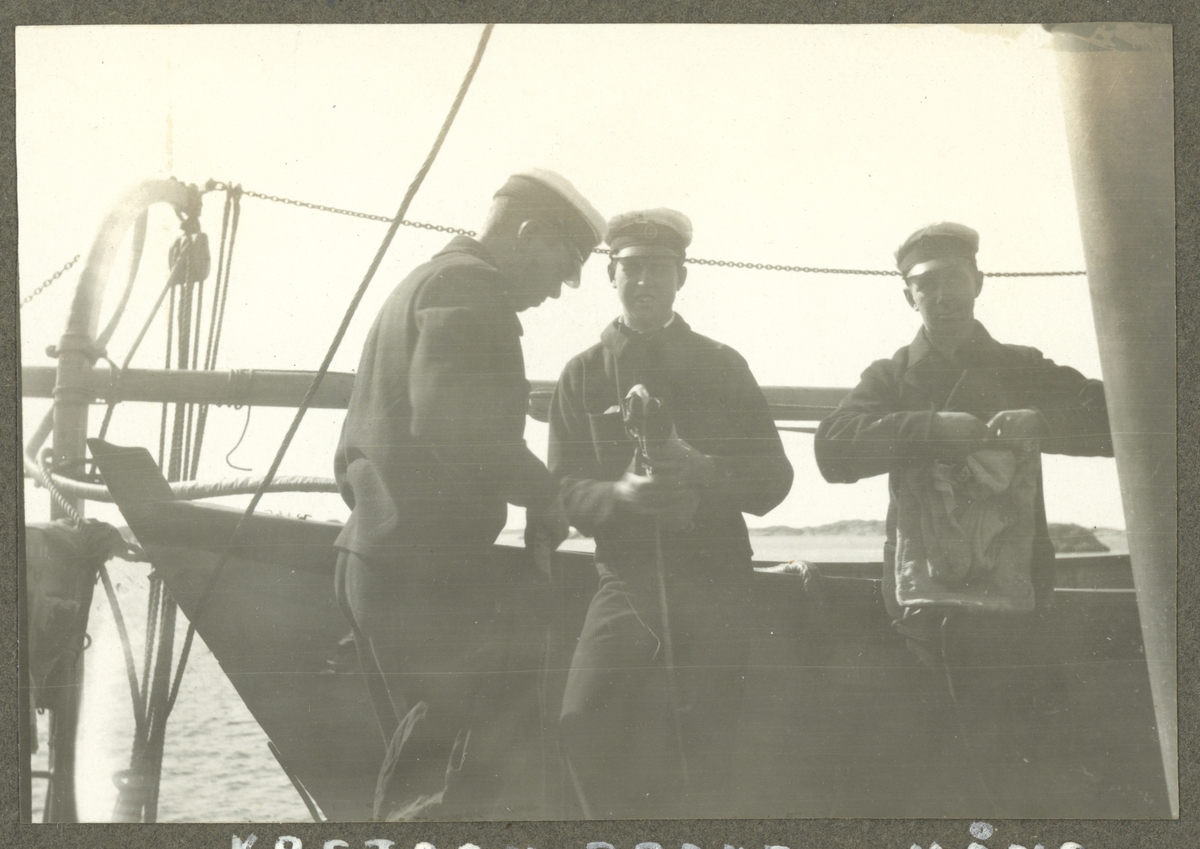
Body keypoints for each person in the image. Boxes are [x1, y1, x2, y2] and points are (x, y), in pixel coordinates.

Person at [333, 169, 606, 821]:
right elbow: (456, 422)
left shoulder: (422, 281)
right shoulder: (470, 288)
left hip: (379, 560)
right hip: (421, 577)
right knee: (435, 787)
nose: (559, 288)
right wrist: (546, 495)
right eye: (563, 264)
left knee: (422, 769)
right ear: (528, 233)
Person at [814, 222, 1113, 814]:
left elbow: (1118, 416)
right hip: (924, 604)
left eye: (953, 278)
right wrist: (928, 428)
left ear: (978, 282)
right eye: (926, 283)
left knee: (1020, 758)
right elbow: (833, 450)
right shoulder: (890, 376)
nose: (942, 294)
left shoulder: (1023, 367)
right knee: (937, 759)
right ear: (908, 295)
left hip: (1017, 595)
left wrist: (1045, 423)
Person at [547, 208, 794, 818]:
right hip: (624, 582)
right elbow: (560, 489)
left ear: (681, 277)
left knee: (709, 742)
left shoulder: (723, 366)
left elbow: (774, 481)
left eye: (659, 269)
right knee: (582, 721)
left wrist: (702, 471)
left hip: (715, 581)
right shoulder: (582, 374)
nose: (644, 281)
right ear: (611, 275)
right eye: (631, 269)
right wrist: (621, 496)